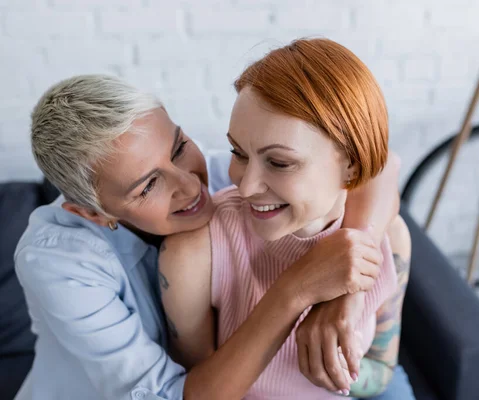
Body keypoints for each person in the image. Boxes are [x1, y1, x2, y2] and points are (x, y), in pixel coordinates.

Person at [13, 74, 402, 400]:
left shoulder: (230, 174)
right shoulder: (57, 262)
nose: (190, 185)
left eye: (179, 147)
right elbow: (173, 394)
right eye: (148, 186)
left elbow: (379, 163)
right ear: (92, 212)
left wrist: (344, 294)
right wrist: (296, 291)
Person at [160, 38, 415, 399]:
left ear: (351, 165)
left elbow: (383, 370)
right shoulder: (194, 252)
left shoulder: (391, 239)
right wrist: (300, 289)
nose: (246, 187)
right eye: (238, 152)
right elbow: (194, 390)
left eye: (279, 163)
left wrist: (340, 369)